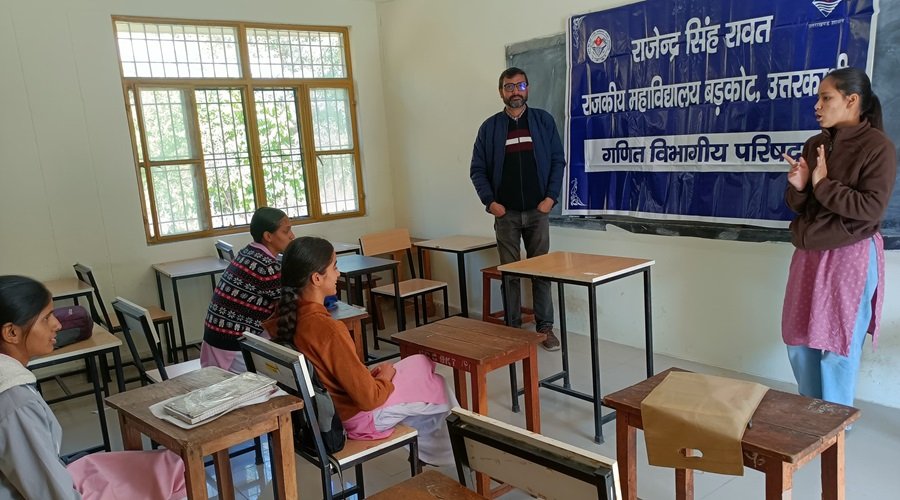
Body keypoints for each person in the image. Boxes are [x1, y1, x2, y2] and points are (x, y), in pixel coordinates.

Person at [264, 237, 455, 465]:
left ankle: (437, 452)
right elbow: (369, 399)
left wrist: (369, 377)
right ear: (317, 278)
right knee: (436, 383)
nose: (338, 274)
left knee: (419, 363)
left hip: (326, 412)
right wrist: (384, 379)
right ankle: (458, 453)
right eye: (334, 267)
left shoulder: (282, 318)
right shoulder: (328, 329)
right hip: (356, 417)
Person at [0, 275, 186, 499]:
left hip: (54, 479)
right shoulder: (16, 403)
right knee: (174, 473)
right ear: (11, 333)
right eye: (46, 318)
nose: (58, 324)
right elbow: (51, 494)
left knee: (169, 464)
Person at [781, 67, 896, 408]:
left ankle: (834, 423)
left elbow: (870, 209)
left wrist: (822, 184)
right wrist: (800, 187)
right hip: (809, 252)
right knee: (798, 339)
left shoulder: (878, 148)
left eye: (825, 98)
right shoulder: (816, 144)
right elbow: (802, 206)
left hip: (850, 254)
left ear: (851, 100)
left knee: (837, 345)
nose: (817, 106)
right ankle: (811, 412)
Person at [470, 66, 566, 351]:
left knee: (541, 272)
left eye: (520, 86)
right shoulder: (490, 128)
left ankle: (545, 329)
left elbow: (558, 161)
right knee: (510, 274)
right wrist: (491, 203)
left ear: (528, 89)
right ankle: (512, 331)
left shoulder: (543, 121)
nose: (515, 92)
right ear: (501, 92)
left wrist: (550, 198)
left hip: (538, 212)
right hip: (506, 214)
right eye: (509, 87)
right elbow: (477, 169)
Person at [201, 207, 294, 372]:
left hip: (215, 339)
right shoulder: (266, 266)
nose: (292, 236)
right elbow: (292, 304)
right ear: (268, 236)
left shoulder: (248, 252)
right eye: (286, 231)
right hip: (232, 346)